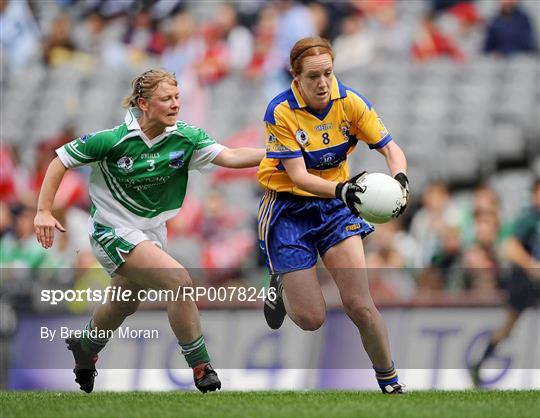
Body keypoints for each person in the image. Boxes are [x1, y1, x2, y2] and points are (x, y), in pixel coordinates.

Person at [34, 69, 264, 394]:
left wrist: (277, 155)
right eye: (166, 99)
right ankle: (201, 366)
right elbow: (60, 161)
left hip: (151, 233)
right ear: (143, 103)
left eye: (177, 98)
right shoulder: (112, 140)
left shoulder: (185, 137)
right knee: (180, 281)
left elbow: (231, 155)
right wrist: (43, 211)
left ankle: (85, 347)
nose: (174, 105)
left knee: (123, 304)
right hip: (111, 231)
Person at [257, 37, 409, 394]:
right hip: (288, 209)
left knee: (360, 304)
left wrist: (401, 181)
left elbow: (391, 149)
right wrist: (343, 189)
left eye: (328, 73)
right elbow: (299, 177)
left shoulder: (350, 101)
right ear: (296, 77)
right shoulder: (280, 111)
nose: (323, 83)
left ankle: (390, 383)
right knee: (311, 319)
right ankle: (280, 283)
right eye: (313, 76)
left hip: (335, 208)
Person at [470, 179, 540, 386]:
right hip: (525, 281)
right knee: (508, 326)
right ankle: (480, 364)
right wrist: (532, 267)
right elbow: (509, 247)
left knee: (509, 325)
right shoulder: (529, 219)